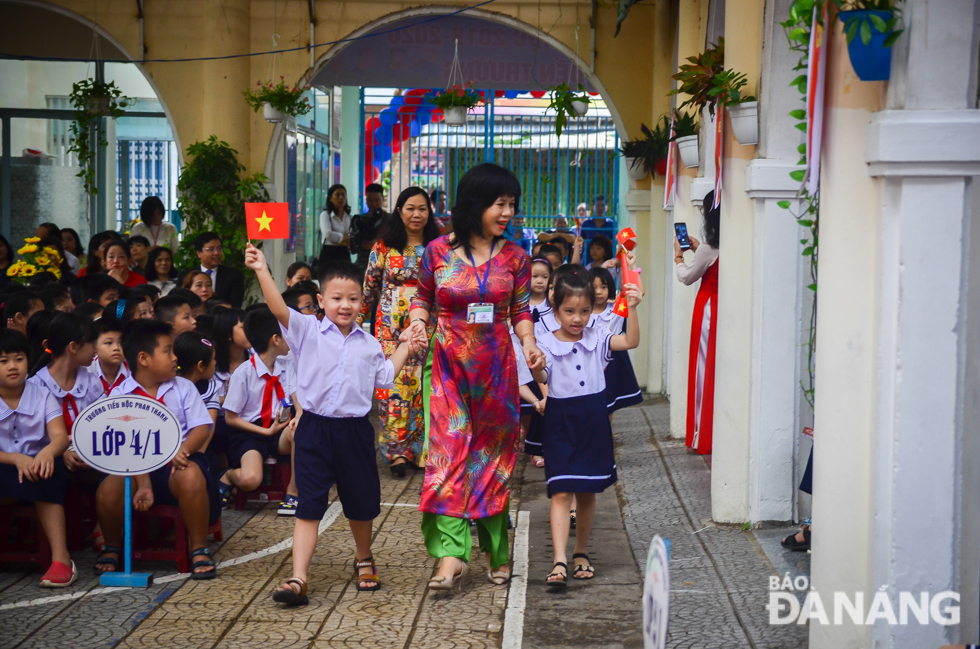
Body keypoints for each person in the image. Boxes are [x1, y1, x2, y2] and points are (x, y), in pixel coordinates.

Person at [245, 245, 413, 605]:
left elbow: (384, 378)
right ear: (321, 300)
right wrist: (262, 269)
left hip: (353, 432)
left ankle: (363, 558)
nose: (345, 305)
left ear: (361, 303)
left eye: (353, 298)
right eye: (337, 297)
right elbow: (278, 308)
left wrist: (404, 347)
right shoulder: (307, 330)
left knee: (361, 501)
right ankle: (298, 578)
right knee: (309, 505)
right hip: (314, 430)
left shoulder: (368, 344)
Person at [404, 163, 544, 591]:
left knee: (492, 457)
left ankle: (496, 553)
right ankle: (450, 556)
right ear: (475, 204)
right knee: (447, 456)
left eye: (511, 205)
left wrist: (529, 344)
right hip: (446, 367)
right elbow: (422, 298)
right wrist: (416, 324)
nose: (507, 212)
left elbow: (519, 309)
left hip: (496, 369)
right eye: (499, 204)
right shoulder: (437, 252)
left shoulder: (516, 257)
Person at [533, 264, 643, 589]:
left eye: (583, 310)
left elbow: (631, 341)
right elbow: (542, 378)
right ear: (556, 309)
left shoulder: (599, 336)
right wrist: (537, 367)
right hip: (560, 420)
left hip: (593, 418)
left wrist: (633, 309)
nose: (577, 318)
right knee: (561, 489)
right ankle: (559, 560)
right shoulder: (544, 340)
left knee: (588, 489)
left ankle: (581, 551)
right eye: (569, 311)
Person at [95, 320, 221, 579]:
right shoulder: (120, 395)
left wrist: (181, 451)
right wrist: (143, 481)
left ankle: (198, 548)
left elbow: (201, 428)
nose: (175, 357)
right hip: (136, 468)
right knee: (108, 488)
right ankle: (112, 546)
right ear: (144, 359)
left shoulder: (184, 387)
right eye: (167, 351)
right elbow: (123, 445)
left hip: (178, 464)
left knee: (191, 475)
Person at [358, 187, 439, 475]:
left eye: (422, 209)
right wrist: (354, 324)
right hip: (389, 329)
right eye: (410, 208)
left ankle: (421, 451)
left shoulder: (438, 247)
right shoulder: (383, 246)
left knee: (421, 387)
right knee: (392, 387)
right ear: (399, 210)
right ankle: (396, 453)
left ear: (429, 213)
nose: (416, 214)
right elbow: (368, 289)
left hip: (428, 327)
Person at [0, 329, 75, 587]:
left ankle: (61, 559)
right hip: (5, 466)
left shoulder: (42, 393)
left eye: (19, 359)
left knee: (49, 470)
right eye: (3, 361)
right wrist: (14, 459)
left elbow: (60, 437)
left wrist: (46, 452)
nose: (13, 366)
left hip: (38, 465)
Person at [217, 308, 300, 514]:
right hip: (250, 432)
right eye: (286, 334)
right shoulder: (243, 373)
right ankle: (228, 476)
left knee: (300, 429)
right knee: (250, 479)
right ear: (275, 339)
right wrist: (265, 432)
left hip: (279, 427)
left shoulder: (286, 365)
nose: (291, 339)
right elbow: (230, 418)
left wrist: (298, 416)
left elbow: (297, 398)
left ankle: (293, 492)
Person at [674, 192, 720, 455]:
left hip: (707, 311)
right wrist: (698, 248)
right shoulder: (726, 243)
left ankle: (700, 435)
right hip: (722, 308)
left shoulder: (707, 248)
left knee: (702, 371)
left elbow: (688, 276)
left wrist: (680, 258)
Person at [27, 313, 101, 436]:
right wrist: (61, 448)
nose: (96, 350)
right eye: (92, 344)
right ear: (73, 347)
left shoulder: (92, 382)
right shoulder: (35, 387)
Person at [589, 266, 643, 412]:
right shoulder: (582, 312)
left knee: (608, 405)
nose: (599, 291)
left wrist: (632, 268)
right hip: (589, 360)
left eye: (603, 286)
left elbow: (638, 293)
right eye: (593, 287)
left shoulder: (616, 308)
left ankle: (606, 432)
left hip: (613, 359)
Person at [190, 232, 244, 308]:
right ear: (199, 253)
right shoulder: (187, 275)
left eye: (219, 249)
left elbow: (235, 306)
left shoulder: (234, 276)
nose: (216, 253)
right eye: (211, 249)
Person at [350, 183, 389, 277]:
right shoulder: (359, 220)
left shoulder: (391, 220)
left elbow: (398, 243)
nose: (374, 204)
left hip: (385, 266)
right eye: (370, 200)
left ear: (383, 199)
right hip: (362, 265)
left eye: (377, 200)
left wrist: (378, 244)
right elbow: (353, 247)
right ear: (366, 201)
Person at [91, 317, 129, 395]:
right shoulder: (87, 372)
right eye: (108, 343)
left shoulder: (134, 371)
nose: (116, 348)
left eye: (121, 343)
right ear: (95, 348)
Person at [318, 184, 353, 265]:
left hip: (344, 253)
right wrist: (345, 237)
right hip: (329, 253)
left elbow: (353, 237)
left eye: (343, 195)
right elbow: (328, 234)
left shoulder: (349, 217)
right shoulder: (325, 215)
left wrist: (336, 241)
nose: (341, 197)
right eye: (337, 195)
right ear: (330, 198)